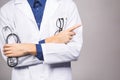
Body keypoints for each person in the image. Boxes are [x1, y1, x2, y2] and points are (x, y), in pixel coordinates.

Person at [0, 0, 83, 80]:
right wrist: (51, 41)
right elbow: (12, 60)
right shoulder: (6, 11)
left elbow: (74, 51)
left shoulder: (68, 5)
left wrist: (29, 48)